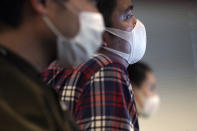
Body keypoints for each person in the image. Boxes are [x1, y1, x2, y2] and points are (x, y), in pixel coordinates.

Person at [42, 0, 147, 130]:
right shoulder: (105, 68)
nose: (136, 23)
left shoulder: (55, 66)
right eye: (127, 16)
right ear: (102, 35)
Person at [0, 0, 104, 130]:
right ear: (42, 3)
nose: (97, 15)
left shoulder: (28, 84)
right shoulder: (11, 101)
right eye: (91, 2)